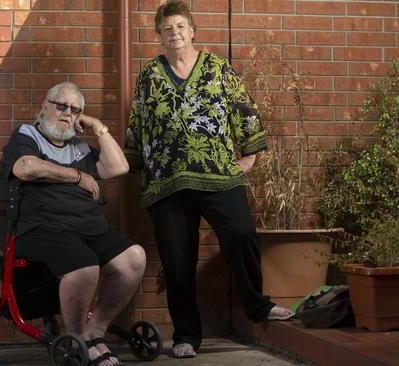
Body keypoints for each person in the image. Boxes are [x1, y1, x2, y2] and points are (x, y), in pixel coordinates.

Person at [124, 0, 294, 359]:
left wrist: (249, 154)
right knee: (176, 259)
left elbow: (242, 106)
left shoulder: (217, 67)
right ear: (159, 34)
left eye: (180, 26)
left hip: (218, 172)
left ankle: (256, 306)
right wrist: (135, 161)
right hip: (167, 180)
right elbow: (138, 120)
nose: (175, 33)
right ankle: (186, 334)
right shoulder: (150, 74)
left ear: (192, 30)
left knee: (241, 233)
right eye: (167, 28)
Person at [0, 81, 145, 366]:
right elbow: (25, 167)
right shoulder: (27, 135)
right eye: (61, 106)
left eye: (75, 110)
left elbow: (119, 167)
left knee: (133, 258)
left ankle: (94, 333)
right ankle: (77, 339)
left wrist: (98, 126)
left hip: (86, 228)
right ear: (44, 107)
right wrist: (77, 176)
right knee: (84, 264)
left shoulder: (80, 147)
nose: (67, 114)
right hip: (35, 226)